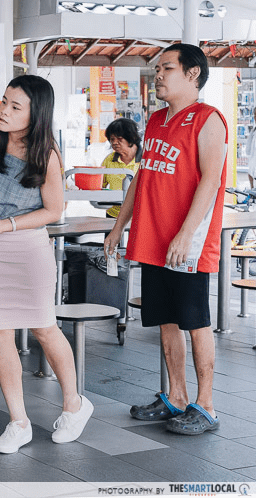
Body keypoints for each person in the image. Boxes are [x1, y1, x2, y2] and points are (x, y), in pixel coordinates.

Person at [0, 74, 93, 454]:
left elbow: (55, 210)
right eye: (4, 101)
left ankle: (74, 404)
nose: (4, 110)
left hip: (26, 248)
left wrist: (7, 224)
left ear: (35, 114)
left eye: (14, 106)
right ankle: (18, 421)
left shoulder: (46, 153)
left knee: (44, 327)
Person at [104, 43, 227, 435]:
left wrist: (186, 232)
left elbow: (211, 180)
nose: (158, 75)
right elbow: (142, 178)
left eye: (167, 68)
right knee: (166, 322)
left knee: (195, 322)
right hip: (153, 238)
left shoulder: (209, 119)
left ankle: (205, 405)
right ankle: (176, 397)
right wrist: (120, 225)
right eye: (157, 68)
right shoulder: (156, 121)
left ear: (192, 74)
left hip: (186, 243)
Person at [101, 117, 141, 218]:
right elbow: (100, 185)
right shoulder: (109, 160)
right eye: (112, 139)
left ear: (131, 137)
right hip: (113, 215)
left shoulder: (146, 160)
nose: (114, 143)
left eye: (119, 139)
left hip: (139, 216)